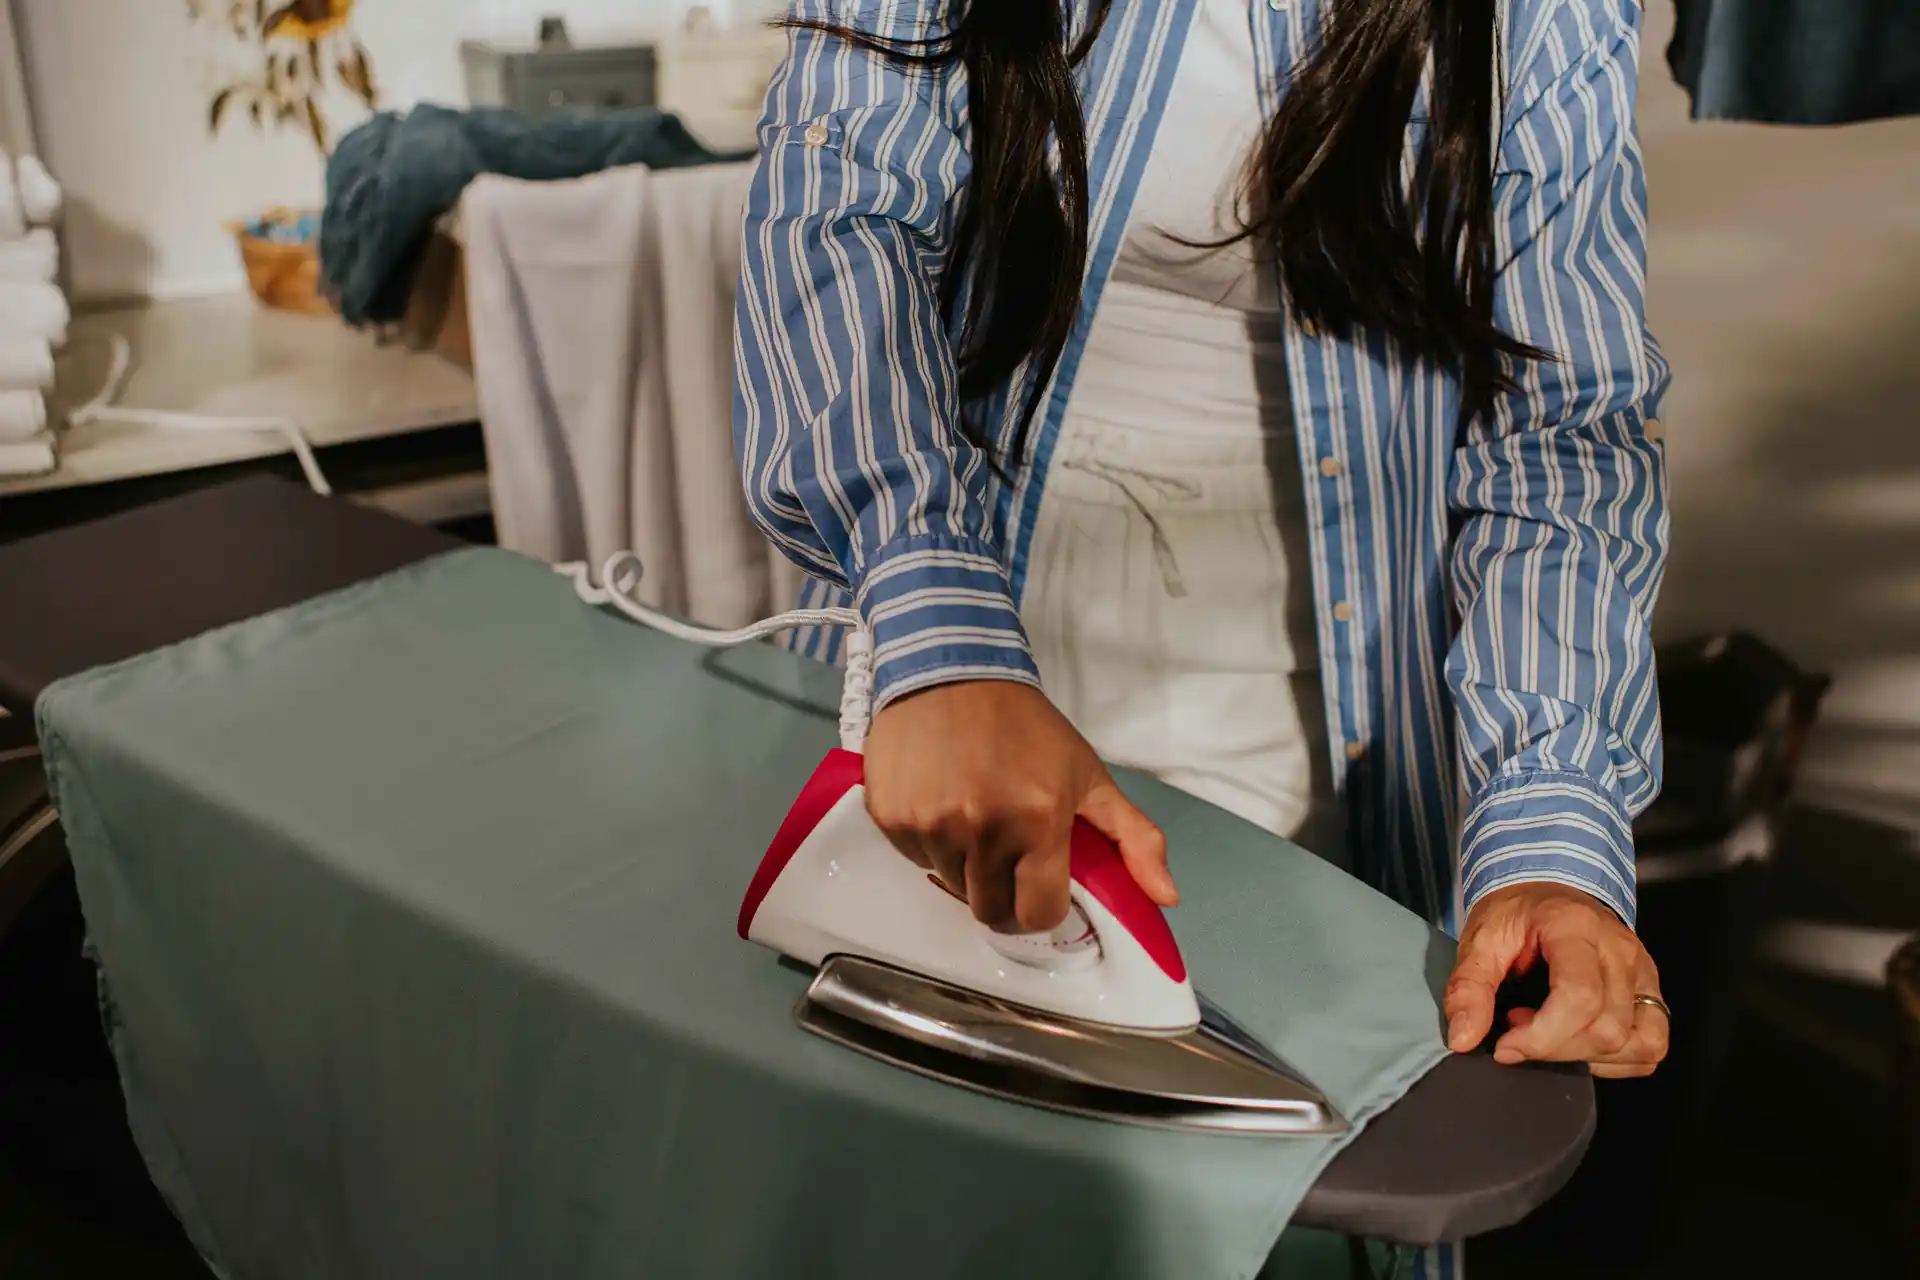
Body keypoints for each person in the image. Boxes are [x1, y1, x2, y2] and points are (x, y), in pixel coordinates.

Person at [734, 1, 1670, 1268]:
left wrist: (1551, 826)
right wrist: (938, 630)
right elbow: (837, 216)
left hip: (1334, 749)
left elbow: (1562, 433)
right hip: (974, 674)